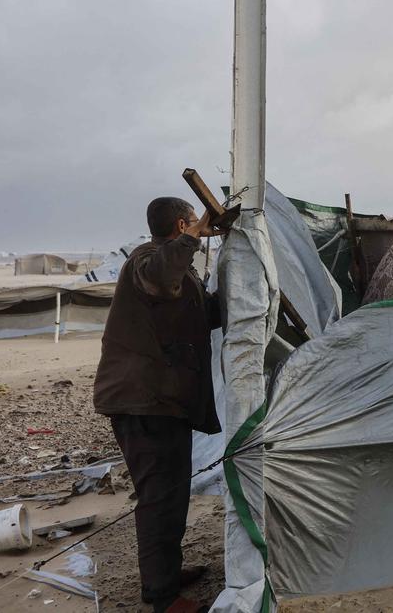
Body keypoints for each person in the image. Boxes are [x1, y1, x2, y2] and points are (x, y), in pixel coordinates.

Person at [93, 197, 225, 613]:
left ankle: (166, 574)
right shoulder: (146, 260)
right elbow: (158, 274)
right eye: (191, 228)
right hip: (143, 404)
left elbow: (201, 315)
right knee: (159, 500)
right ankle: (163, 598)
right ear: (183, 225)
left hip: (160, 402)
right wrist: (192, 238)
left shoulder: (176, 275)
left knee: (171, 494)